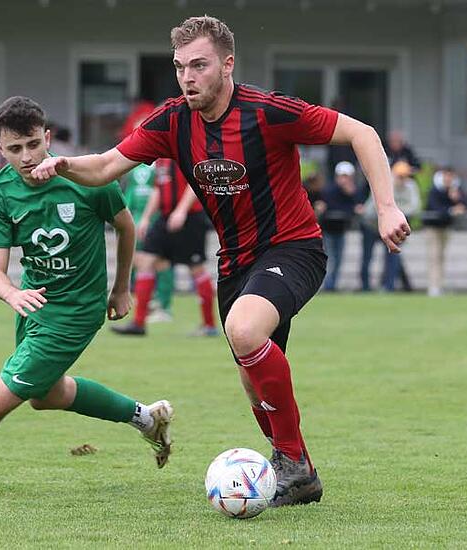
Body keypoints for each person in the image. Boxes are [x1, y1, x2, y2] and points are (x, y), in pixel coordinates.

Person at [31, 15, 410, 507]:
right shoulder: (172, 121)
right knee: (252, 380)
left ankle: (293, 461)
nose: (187, 77)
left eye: (199, 66)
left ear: (227, 65)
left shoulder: (267, 111)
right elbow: (105, 166)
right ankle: (298, 474)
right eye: (180, 67)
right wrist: (64, 164)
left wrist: (386, 207)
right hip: (235, 262)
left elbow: (362, 133)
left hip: (294, 247)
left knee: (244, 331)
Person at [0, 96, 173, 497]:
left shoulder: (86, 177)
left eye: (34, 145)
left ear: (48, 139)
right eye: (15, 149)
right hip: (34, 308)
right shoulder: (0, 191)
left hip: (76, 311)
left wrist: (121, 288)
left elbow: (126, 228)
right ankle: (147, 418)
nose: (26, 157)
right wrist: (12, 294)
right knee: (45, 396)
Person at [112, 158, 217, 336]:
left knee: (196, 268)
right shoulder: (161, 160)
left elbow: (196, 182)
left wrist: (182, 210)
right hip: (165, 216)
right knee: (144, 261)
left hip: (190, 217)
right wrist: (146, 217)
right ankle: (138, 324)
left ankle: (209, 326)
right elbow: (158, 189)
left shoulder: (184, 151)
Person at [122, 162, 175, 322]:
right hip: (139, 217)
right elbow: (131, 191)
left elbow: (160, 190)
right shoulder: (135, 166)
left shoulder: (163, 164)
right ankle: (149, 301)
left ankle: (163, 305)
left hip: (157, 217)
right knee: (140, 260)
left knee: (160, 261)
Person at [362, 161, 420, 292]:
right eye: (400, 176)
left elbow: (415, 207)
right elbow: (372, 208)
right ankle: (365, 286)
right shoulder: (385, 184)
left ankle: (389, 286)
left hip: (392, 227)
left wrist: (394, 212)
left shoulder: (411, 186)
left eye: (405, 176)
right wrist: (389, 212)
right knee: (367, 256)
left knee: (392, 256)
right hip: (372, 224)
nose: (403, 180)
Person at [423, 167, 466, 297]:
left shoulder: (455, 189)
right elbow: (435, 208)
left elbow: (465, 204)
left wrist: (456, 200)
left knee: (441, 257)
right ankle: (433, 287)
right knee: (434, 257)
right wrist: (451, 210)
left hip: (445, 228)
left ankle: (439, 286)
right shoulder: (435, 190)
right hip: (432, 228)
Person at [319, 161, 359, 291]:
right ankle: (328, 285)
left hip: (341, 230)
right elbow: (329, 207)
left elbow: (355, 208)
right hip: (329, 230)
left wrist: (350, 194)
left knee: (339, 258)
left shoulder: (353, 192)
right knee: (330, 258)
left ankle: (333, 284)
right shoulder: (329, 190)